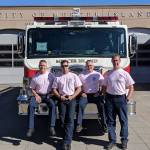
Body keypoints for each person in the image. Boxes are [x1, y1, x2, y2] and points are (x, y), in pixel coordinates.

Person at [103, 54, 135, 150]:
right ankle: (112, 140)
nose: (115, 62)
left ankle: (124, 140)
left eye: (117, 60)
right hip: (109, 99)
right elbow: (104, 86)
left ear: (119, 61)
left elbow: (131, 87)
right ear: (111, 61)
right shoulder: (108, 73)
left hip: (121, 99)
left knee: (123, 121)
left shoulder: (124, 73)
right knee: (110, 121)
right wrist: (104, 96)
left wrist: (127, 98)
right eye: (113, 60)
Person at [52, 60, 82, 150]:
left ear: (68, 67)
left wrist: (72, 96)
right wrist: (59, 96)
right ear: (61, 67)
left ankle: (67, 142)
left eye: (66, 66)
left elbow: (79, 88)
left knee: (70, 120)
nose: (65, 67)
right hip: (62, 100)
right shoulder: (57, 77)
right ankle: (65, 139)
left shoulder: (74, 76)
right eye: (63, 66)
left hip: (71, 99)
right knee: (62, 120)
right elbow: (54, 89)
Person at [26, 60, 56, 137]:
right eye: (41, 65)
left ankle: (51, 127)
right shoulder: (35, 77)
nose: (42, 67)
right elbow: (31, 88)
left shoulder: (51, 76)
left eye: (43, 65)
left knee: (53, 106)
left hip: (48, 95)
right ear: (39, 66)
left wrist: (51, 94)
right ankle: (31, 128)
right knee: (31, 106)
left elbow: (55, 87)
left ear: (46, 67)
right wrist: (36, 95)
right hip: (38, 95)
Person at [76, 60, 107, 133]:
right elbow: (77, 86)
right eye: (88, 65)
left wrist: (100, 93)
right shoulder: (81, 75)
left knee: (102, 105)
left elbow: (103, 85)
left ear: (93, 66)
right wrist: (81, 93)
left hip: (95, 95)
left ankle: (104, 125)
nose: (89, 67)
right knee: (80, 105)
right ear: (85, 66)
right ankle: (79, 125)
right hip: (85, 95)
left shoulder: (97, 74)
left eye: (91, 65)